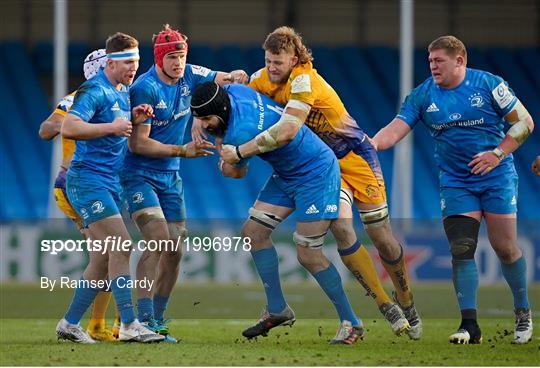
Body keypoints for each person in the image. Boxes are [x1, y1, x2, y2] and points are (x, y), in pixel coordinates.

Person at [195, 26, 419, 338]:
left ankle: (395, 303)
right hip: (296, 167)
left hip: (343, 158)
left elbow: (276, 138)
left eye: (278, 62)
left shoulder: (303, 80)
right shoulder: (253, 84)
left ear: (296, 59)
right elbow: (224, 85)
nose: (272, 68)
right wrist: (200, 117)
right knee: (257, 232)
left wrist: (231, 155)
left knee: (370, 237)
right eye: (268, 61)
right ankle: (282, 308)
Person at [370, 35, 534, 344]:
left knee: (505, 248)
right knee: (461, 249)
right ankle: (469, 326)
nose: (432, 66)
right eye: (430, 61)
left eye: (438, 61)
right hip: (456, 181)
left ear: (460, 61)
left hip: (497, 176)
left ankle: (523, 314)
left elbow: (525, 122)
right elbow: (395, 129)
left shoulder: (488, 84)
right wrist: (371, 144)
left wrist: (496, 154)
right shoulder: (422, 96)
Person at [191, 81, 363, 345]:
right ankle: (277, 309)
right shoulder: (234, 91)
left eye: (206, 119)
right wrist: (204, 125)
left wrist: (225, 161)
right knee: (253, 232)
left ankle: (351, 322)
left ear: (221, 111)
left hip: (315, 173)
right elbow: (228, 81)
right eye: (198, 119)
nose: (203, 124)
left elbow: (238, 173)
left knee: (308, 253)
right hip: (287, 173)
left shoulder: (240, 131)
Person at [121, 24, 247, 343]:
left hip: (170, 177)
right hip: (139, 175)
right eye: (173, 57)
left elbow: (223, 78)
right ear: (160, 58)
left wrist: (238, 75)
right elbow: (138, 144)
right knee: (159, 239)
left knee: (174, 250)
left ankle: (159, 319)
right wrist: (183, 150)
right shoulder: (145, 89)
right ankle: (143, 320)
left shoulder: (190, 73)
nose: (178, 62)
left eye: (182, 55)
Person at [55, 32, 164, 343]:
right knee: (122, 243)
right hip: (86, 180)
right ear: (111, 62)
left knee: (103, 259)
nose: (134, 67)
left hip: (109, 182)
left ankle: (69, 323)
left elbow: (115, 124)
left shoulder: (122, 91)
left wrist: (132, 117)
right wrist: (113, 127)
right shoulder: (94, 89)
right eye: (129, 62)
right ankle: (129, 324)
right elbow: (69, 127)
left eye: (137, 62)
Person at [40, 49, 120, 341]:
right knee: (113, 251)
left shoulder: (115, 97)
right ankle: (107, 324)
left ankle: (96, 325)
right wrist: (79, 123)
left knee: (109, 253)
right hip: (77, 183)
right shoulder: (80, 98)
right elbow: (46, 129)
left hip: (93, 183)